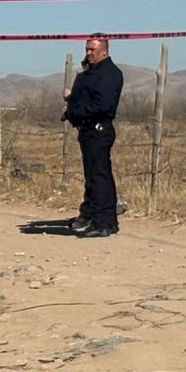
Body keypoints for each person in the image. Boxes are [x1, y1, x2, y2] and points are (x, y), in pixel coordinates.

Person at [62, 34, 124, 238]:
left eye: (92, 50)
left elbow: (101, 106)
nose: (89, 53)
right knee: (93, 176)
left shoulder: (109, 74)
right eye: (87, 49)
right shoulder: (92, 73)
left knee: (100, 177)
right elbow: (85, 98)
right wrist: (72, 104)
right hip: (87, 130)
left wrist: (76, 111)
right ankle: (93, 215)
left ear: (104, 51)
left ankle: (104, 223)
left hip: (98, 130)